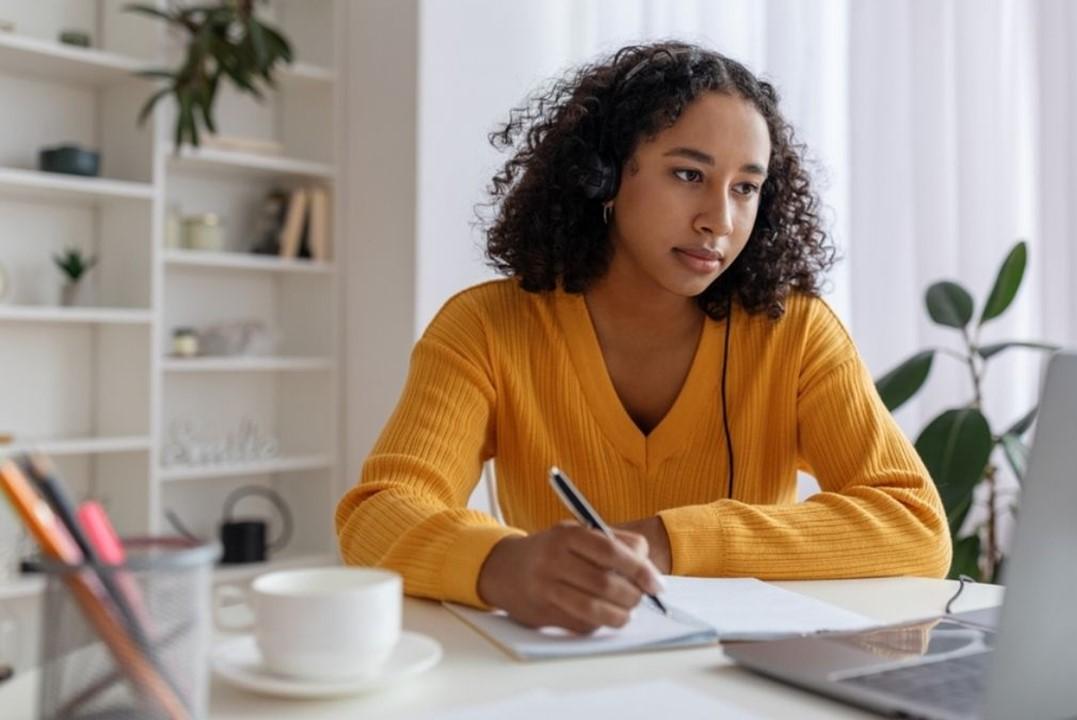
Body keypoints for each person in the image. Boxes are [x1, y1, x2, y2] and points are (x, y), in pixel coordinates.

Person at [336, 41, 950, 635]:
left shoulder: (795, 333)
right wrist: (498, 566)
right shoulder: (486, 328)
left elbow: (915, 526)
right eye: (688, 173)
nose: (720, 220)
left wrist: (667, 540)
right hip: (564, 681)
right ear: (602, 178)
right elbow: (378, 512)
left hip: (749, 686)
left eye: (745, 187)